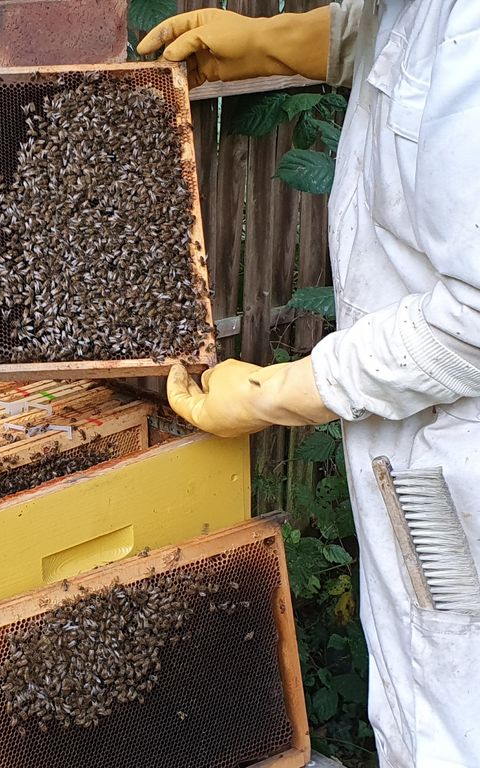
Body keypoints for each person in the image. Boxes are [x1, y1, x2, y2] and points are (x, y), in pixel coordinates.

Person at [138, 2, 480, 766]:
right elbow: (414, 35)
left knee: (450, 711)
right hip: (418, 435)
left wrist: (274, 393)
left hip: (458, 465)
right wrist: (279, 41)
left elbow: (475, 321)